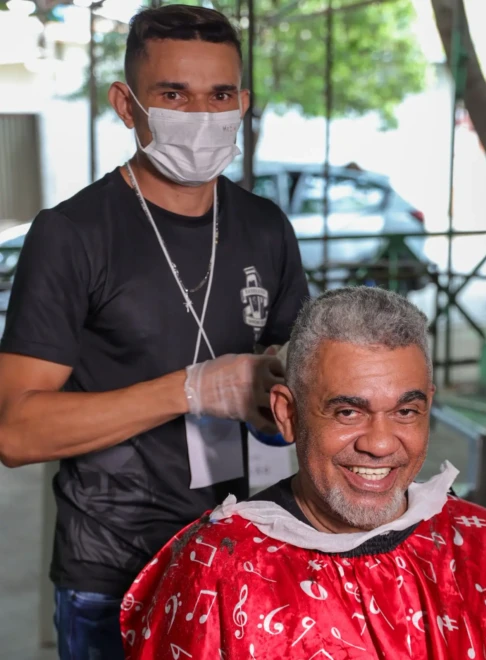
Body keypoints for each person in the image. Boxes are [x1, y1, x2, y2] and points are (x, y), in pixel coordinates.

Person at [0, 5, 308, 659]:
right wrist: (190, 389)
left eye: (219, 96)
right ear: (127, 104)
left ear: (242, 103)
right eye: (173, 94)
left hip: (244, 553)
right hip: (113, 571)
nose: (201, 115)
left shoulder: (266, 227)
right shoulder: (72, 234)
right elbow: (16, 432)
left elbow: (293, 380)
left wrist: (284, 400)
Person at [121, 287, 486, 660]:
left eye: (406, 411)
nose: (380, 443)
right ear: (288, 414)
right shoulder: (216, 571)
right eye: (348, 412)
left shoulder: (482, 546)